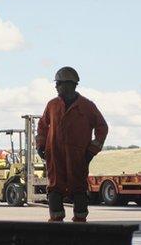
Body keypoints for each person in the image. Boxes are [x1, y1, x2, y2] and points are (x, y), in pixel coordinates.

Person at [37, 67, 108, 223]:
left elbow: (102, 128)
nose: (56, 87)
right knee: (55, 187)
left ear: (70, 84)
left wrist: (91, 151)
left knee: (78, 187)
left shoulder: (87, 106)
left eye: (58, 83)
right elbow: (42, 126)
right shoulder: (52, 105)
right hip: (55, 156)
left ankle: (80, 220)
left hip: (78, 156)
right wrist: (41, 146)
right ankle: (56, 220)